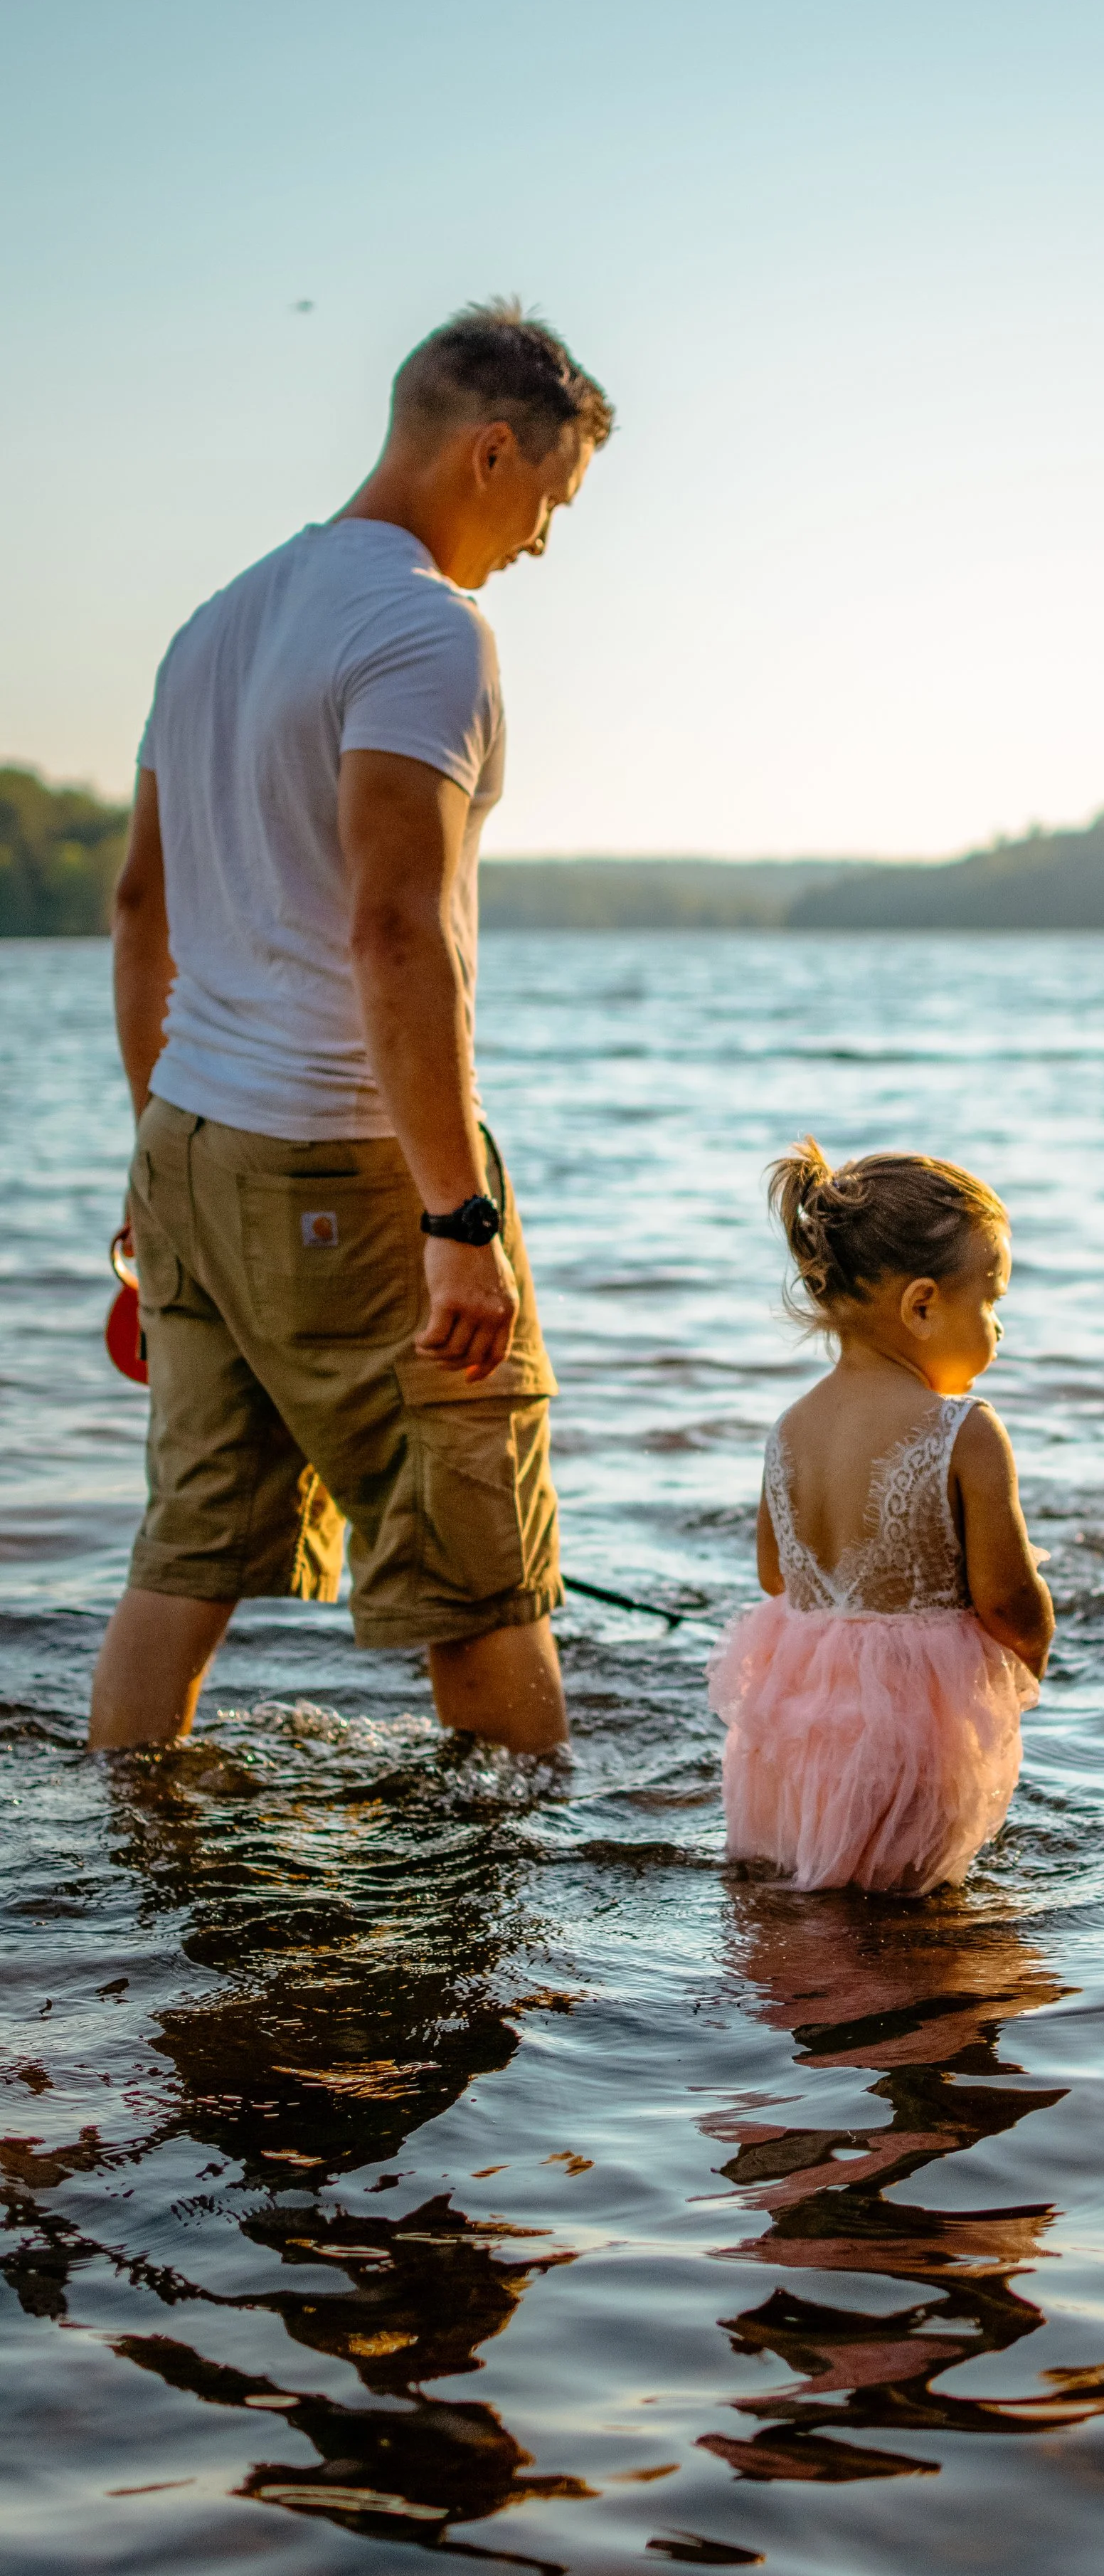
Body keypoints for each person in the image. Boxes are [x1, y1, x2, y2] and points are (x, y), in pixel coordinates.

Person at [90, 300, 612, 1756]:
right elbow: (398, 928)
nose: (542, 541)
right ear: (491, 453)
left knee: (187, 1553)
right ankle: (503, 1934)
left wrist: (158, 1150)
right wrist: (458, 1209)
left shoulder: (215, 626)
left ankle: (135, 1860)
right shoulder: (424, 631)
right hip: (347, 1168)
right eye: (551, 500)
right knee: (475, 1568)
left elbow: (142, 911)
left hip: (196, 1141)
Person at [708, 1139, 1053, 1894]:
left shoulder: (789, 1427)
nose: (997, 1328)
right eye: (990, 1301)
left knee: (808, 1890)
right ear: (923, 1305)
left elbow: (776, 1576)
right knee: (912, 1906)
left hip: (799, 1727)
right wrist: (1033, 1650)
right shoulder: (964, 1430)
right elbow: (1005, 1598)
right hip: (913, 1731)